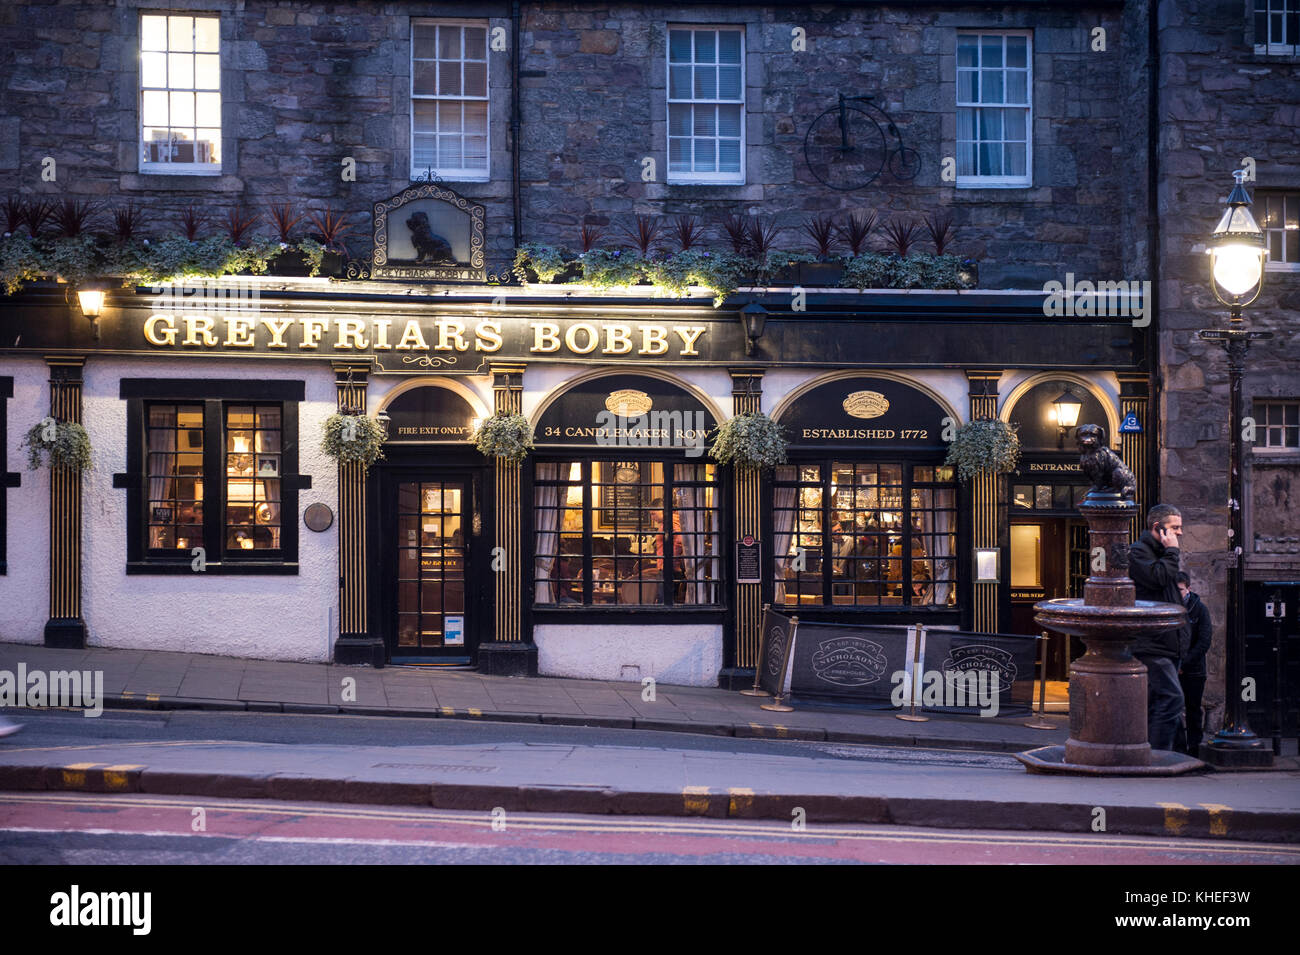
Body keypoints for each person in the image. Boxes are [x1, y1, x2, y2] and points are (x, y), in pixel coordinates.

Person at [1128, 503, 1190, 751]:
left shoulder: (1160, 554)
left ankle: (1174, 754)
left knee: (1162, 702)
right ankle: (1157, 755)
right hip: (1151, 644)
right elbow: (1158, 578)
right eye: (1175, 527)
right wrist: (1172, 552)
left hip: (1167, 644)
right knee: (1171, 698)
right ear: (1157, 528)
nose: (1180, 533)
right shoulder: (1139, 552)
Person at [1175, 571, 1213, 756]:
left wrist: (1185, 663)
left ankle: (1194, 747)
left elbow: (1204, 641)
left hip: (1194, 670)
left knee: (1193, 708)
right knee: (1173, 707)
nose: (1178, 594)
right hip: (1175, 667)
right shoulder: (1171, 608)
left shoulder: (1200, 609)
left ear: (1188, 588)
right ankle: (1178, 746)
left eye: (1180, 590)